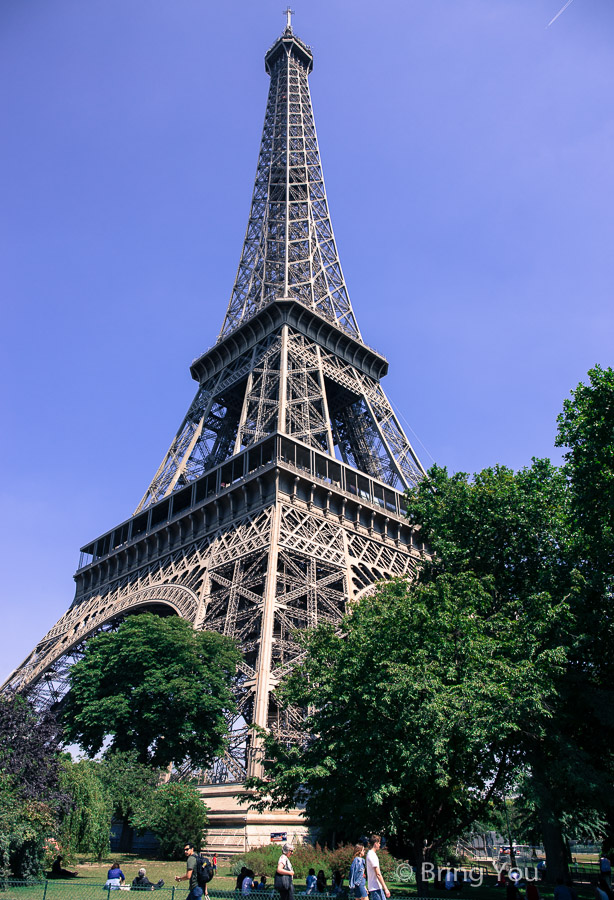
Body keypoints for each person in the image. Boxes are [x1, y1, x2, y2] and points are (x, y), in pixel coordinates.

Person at [366, 834, 390, 900]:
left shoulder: (369, 854)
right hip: (376, 888)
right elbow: (378, 874)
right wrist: (385, 888)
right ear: (375, 843)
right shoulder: (372, 855)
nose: (380, 845)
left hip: (374, 887)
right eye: (379, 843)